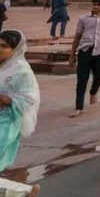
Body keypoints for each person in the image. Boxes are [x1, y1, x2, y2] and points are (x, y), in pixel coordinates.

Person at [0, 30, 41, 197]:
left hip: (7, 122)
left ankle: (25, 191)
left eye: (4, 46)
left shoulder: (22, 71)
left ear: (15, 49)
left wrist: (6, 99)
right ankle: (26, 191)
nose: (0, 49)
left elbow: (30, 98)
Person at [68, 0, 100, 118]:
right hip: (85, 51)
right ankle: (78, 107)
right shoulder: (83, 19)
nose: (96, 6)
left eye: (99, 4)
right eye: (94, 4)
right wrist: (72, 55)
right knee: (81, 80)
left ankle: (93, 91)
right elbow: (77, 37)